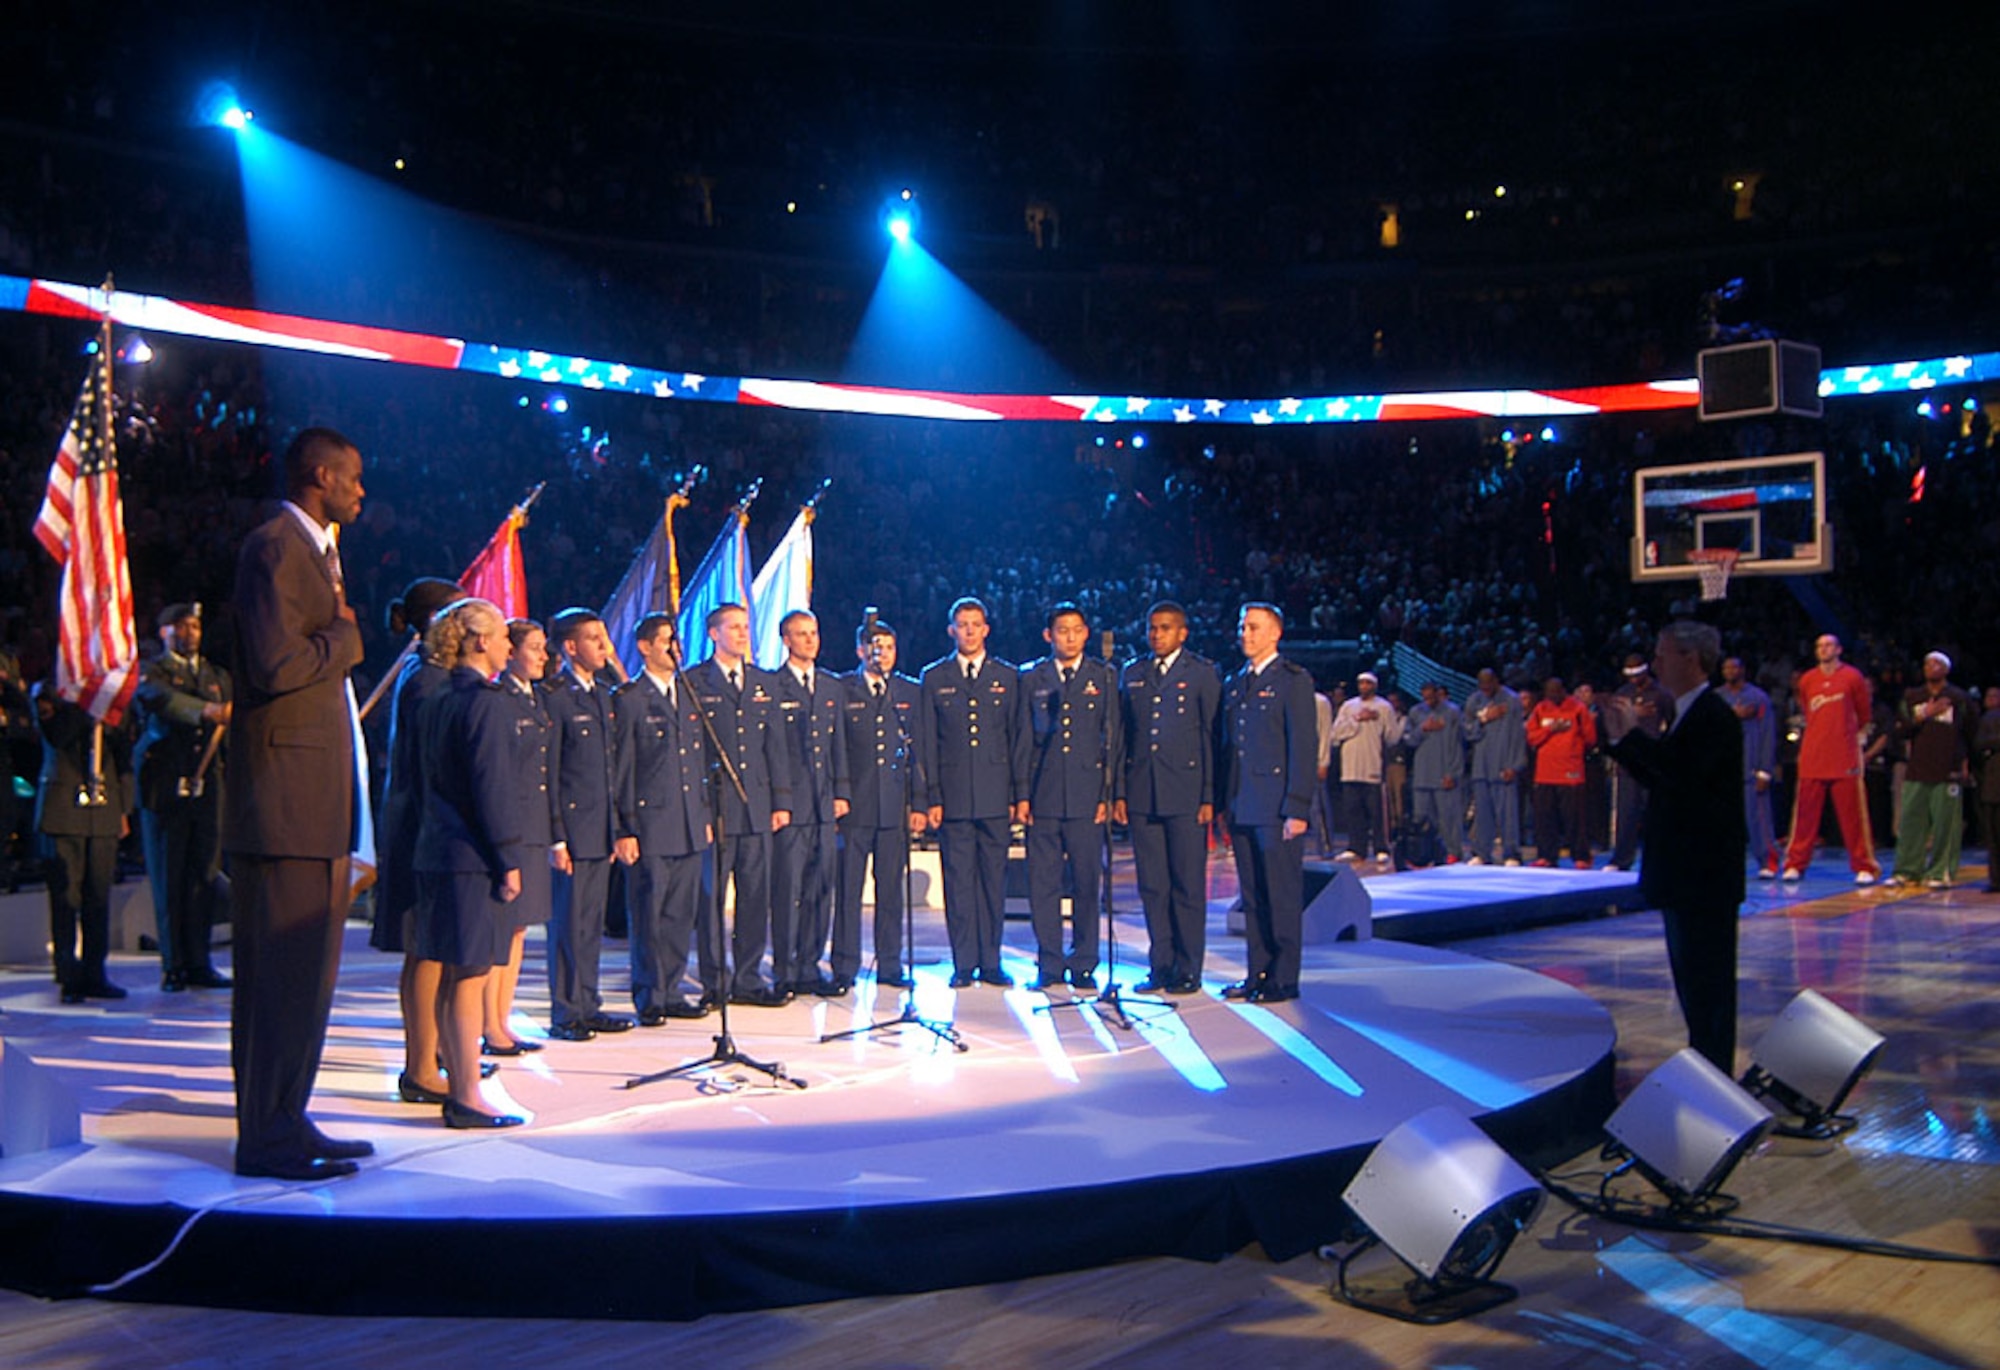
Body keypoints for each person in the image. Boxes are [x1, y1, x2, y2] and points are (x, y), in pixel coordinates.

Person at [224, 426, 374, 1179]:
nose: (361, 490)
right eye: (352, 478)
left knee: (307, 981)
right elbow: (277, 662)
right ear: (321, 474)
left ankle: (289, 1115)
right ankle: (264, 1136)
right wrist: (345, 643)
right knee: (277, 978)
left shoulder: (317, 550)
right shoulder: (275, 547)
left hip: (314, 802)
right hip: (281, 802)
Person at [1603, 620, 1747, 1072]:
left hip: (1703, 877)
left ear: (1690, 658)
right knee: (1695, 987)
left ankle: (1715, 1078)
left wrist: (1631, 738)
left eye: (1663, 654)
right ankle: (1709, 1071)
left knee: (1708, 989)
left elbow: (1682, 778)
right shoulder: (1689, 712)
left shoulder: (1713, 716)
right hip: (1688, 878)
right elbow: (1665, 777)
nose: (1656, 662)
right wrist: (1624, 742)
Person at [412, 598, 526, 1129]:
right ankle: (466, 1096)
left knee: (456, 974)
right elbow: (492, 787)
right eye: (503, 635)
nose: (508, 644)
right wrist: (508, 857)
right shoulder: (486, 702)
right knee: (470, 976)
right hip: (471, 858)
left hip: (436, 851)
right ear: (480, 641)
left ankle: (459, 1083)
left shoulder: (435, 698)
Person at [371, 576, 467, 1104]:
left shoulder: (431, 675)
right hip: (422, 828)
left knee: (433, 949)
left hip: (426, 823)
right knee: (425, 949)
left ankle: (435, 1057)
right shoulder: (427, 679)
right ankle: (420, 1066)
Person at [683, 602, 794, 1006]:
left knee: (754, 895)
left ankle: (748, 978)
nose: (743, 633)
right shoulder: (695, 682)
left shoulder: (764, 683)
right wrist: (699, 809)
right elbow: (692, 755)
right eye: (734, 627)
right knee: (712, 899)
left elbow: (775, 747)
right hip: (717, 808)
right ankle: (716, 981)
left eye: (746, 627)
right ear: (714, 634)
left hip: (758, 806)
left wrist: (781, 800)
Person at [919, 596, 1028, 989]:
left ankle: (991, 961)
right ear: (952, 630)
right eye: (962, 624)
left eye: (975, 624)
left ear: (986, 629)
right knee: (959, 882)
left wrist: (1021, 795)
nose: (968, 631)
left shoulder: (1008, 676)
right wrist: (931, 796)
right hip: (952, 799)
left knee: (992, 883)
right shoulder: (934, 677)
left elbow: (1018, 739)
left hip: (997, 797)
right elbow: (928, 743)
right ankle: (964, 963)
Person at [613, 612, 713, 1023]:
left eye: (678, 643)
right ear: (644, 647)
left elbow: (700, 761)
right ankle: (650, 993)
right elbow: (622, 769)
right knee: (650, 913)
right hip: (650, 824)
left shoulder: (687, 694)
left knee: (679, 914)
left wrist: (703, 814)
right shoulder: (630, 698)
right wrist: (625, 827)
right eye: (667, 642)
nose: (676, 650)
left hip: (688, 822)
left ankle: (671, 988)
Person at [1116, 601, 1219, 994]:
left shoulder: (1202, 674)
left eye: (1165, 628)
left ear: (1182, 633)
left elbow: (1211, 737)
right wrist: (1121, 792)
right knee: (1153, 886)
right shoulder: (1134, 672)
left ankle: (1189, 967)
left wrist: (1209, 794)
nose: (1157, 635)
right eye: (1152, 629)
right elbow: (1126, 739)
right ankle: (1160, 964)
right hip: (1144, 794)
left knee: (1187, 885)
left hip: (1187, 795)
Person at [542, 607, 635, 1040]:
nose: (605, 646)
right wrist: (556, 836)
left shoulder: (601, 693)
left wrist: (617, 828)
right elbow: (552, 772)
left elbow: (610, 770)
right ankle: (566, 1010)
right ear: (571, 646)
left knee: (592, 922)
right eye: (595, 639)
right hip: (573, 829)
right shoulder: (555, 696)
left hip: (600, 828)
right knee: (568, 923)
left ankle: (589, 1001)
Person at [1020, 602, 1122, 991]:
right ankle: (1049, 961)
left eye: (1076, 630)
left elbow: (1112, 741)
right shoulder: (1032, 677)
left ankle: (1083, 961)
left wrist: (1107, 794)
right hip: (1043, 796)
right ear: (1049, 636)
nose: (1069, 637)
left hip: (1086, 797)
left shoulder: (1104, 677)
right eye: (1062, 630)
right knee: (1043, 884)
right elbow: (1022, 739)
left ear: (1086, 634)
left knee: (1085, 883)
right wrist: (1022, 794)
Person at [1218, 603, 1317, 1003]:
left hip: (1276, 806)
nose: (1246, 634)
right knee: (1254, 895)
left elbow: (1303, 747)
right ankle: (1258, 971)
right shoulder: (1237, 681)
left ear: (1274, 634)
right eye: (1243, 626)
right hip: (1243, 802)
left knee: (1281, 893)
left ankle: (1284, 976)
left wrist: (1297, 806)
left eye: (1254, 627)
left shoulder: (1292, 681)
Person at [133, 602, 232, 991]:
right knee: (170, 877)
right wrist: (207, 710)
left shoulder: (214, 674)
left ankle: (199, 960)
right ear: (164, 633)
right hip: (167, 787)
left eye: (194, 626)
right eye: (180, 627)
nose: (189, 633)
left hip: (208, 786)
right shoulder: (153, 672)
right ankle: (173, 964)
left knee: (204, 874)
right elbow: (162, 701)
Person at [835, 619, 926, 989]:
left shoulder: (910, 691)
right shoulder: (843, 689)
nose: (883, 654)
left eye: (889, 647)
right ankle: (844, 965)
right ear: (860, 651)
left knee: (890, 890)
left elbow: (920, 751)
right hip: (855, 807)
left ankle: (890, 964)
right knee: (848, 891)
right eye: (875, 647)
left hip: (894, 807)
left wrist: (919, 801)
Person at [480, 618, 553, 1057]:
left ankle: (501, 1020)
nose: (543, 656)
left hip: (535, 826)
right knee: (503, 930)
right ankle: (489, 1025)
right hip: (513, 827)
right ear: (511, 652)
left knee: (520, 930)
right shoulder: (500, 700)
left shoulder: (535, 699)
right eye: (535, 647)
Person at [34, 682, 133, 1003]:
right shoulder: (50, 690)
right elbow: (58, 736)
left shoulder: (112, 692)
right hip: (64, 804)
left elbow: (123, 752)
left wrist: (124, 807)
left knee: (98, 894)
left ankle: (94, 972)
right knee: (66, 895)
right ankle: (68, 975)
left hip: (104, 806)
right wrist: (87, 703)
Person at [769, 610, 850, 996]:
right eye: (801, 634)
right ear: (786, 640)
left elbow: (839, 746)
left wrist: (842, 793)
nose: (809, 640)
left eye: (814, 633)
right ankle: (785, 969)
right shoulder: (773, 685)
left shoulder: (832, 686)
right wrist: (779, 800)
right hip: (792, 806)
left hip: (823, 805)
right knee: (788, 889)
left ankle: (809, 965)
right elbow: (773, 751)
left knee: (821, 888)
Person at [1780, 633, 1882, 884]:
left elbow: (1864, 713)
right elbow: (1807, 710)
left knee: (1852, 816)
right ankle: (1795, 863)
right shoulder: (1808, 679)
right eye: (1819, 646)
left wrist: (1853, 739)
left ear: (1838, 650)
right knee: (1804, 816)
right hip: (1814, 755)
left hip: (1844, 755)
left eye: (1828, 645)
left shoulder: (1852, 677)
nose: (1824, 650)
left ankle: (1864, 866)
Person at [1891, 651, 1977, 888]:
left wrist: (1965, 763)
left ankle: (1941, 871)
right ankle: (1907, 870)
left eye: (1937, 663)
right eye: (1927, 663)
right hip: (1918, 768)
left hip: (1947, 769)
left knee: (1945, 825)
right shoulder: (1912, 696)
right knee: (1911, 822)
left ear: (1946, 669)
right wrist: (1924, 714)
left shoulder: (1959, 698)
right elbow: (1900, 730)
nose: (1931, 667)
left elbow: (1970, 732)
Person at [1329, 671, 1403, 864]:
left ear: (1374, 685)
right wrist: (1357, 719)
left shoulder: (1384, 707)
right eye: (1360, 683)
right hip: (1350, 767)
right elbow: (1335, 734)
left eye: (1367, 683)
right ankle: (1356, 847)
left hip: (1372, 765)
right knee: (1353, 810)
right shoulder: (1348, 706)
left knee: (1376, 811)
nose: (1363, 687)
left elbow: (1393, 736)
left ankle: (1381, 847)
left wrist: (1378, 720)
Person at [1718, 656, 1780, 878]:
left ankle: (1767, 862)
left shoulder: (1758, 697)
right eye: (1726, 668)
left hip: (1751, 769)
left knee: (1758, 820)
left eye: (1734, 667)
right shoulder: (1717, 697)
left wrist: (1765, 769)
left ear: (1742, 670)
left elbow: (1767, 734)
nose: (1730, 671)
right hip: (1723, 772)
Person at [1610, 652, 1672, 870]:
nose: (1634, 679)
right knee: (1626, 813)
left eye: (1637, 673)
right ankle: (1621, 860)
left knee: (1656, 814)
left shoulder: (1662, 693)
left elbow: (1672, 724)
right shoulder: (1622, 694)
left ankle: (1661, 861)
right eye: (1630, 674)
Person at [1526, 675, 1596, 867]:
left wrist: (1574, 749)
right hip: (1545, 772)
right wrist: (1550, 730)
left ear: (1564, 690)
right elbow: (1532, 737)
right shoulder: (1541, 709)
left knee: (1574, 819)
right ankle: (1547, 856)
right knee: (1545, 818)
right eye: (1549, 692)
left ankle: (1581, 856)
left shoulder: (1578, 709)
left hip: (1570, 771)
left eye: (1556, 691)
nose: (1553, 695)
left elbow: (1590, 738)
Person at [1463, 668, 1526, 866]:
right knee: (1482, 814)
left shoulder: (1511, 700)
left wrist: (1515, 765)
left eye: (1489, 683)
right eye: (1482, 684)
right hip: (1481, 766)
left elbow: (1518, 735)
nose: (1485, 688)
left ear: (1496, 681)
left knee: (1508, 814)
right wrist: (1484, 718)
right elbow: (1468, 733)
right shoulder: (1474, 701)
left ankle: (1511, 853)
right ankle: (1482, 852)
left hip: (1504, 764)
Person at [1405, 681, 1465, 863]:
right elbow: (1409, 740)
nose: (1428, 701)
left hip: (1444, 774)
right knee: (1422, 818)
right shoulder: (1416, 712)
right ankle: (1425, 853)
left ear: (1439, 693)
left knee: (1448, 818)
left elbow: (1458, 746)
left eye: (1431, 696)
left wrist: (1453, 773)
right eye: (1425, 697)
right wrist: (1422, 729)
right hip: (1422, 775)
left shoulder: (1452, 712)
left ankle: (1452, 852)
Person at [1974, 686, 2000, 892]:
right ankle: (1996, 879)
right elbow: (1979, 745)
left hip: (1993, 784)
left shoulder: (1990, 718)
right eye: (1988, 695)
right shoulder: (1986, 718)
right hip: (1991, 784)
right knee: (1992, 834)